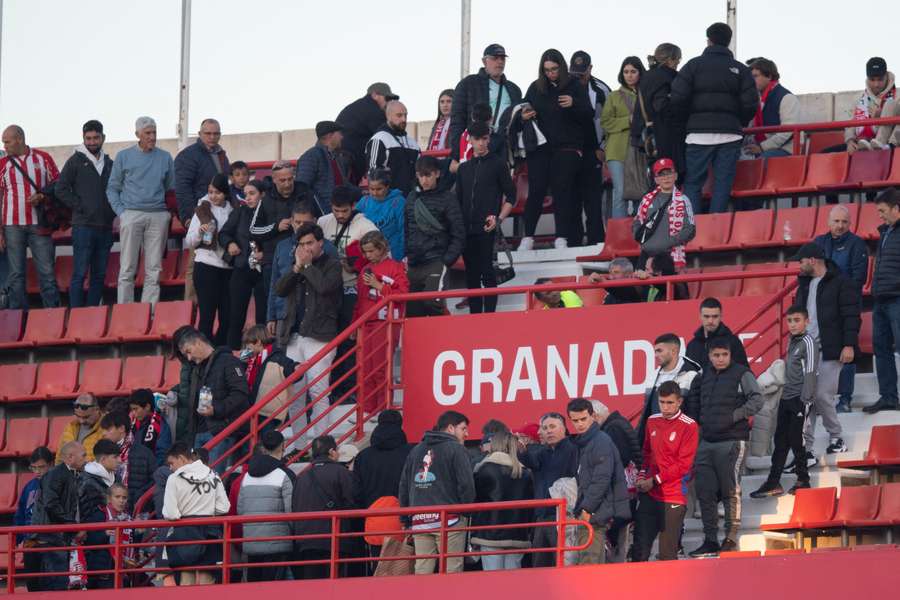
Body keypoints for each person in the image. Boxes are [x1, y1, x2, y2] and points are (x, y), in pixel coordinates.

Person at [685, 337, 764, 557]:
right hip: (706, 442)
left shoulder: (742, 373)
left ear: (730, 355)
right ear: (709, 356)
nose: (720, 359)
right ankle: (710, 539)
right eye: (716, 355)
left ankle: (730, 538)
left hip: (732, 440)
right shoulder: (703, 376)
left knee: (731, 491)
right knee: (705, 492)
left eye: (724, 355)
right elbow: (695, 404)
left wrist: (735, 416)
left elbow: (757, 400)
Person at [670, 23, 758, 214]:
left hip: (697, 136)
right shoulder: (740, 69)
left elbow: (677, 98)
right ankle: (715, 227)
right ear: (729, 41)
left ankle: (693, 229)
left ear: (708, 40)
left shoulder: (693, 66)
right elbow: (751, 103)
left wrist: (689, 121)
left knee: (693, 182)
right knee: (723, 183)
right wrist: (738, 121)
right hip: (730, 136)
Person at [791, 243, 860, 461]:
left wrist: (849, 344)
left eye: (801, 261)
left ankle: (837, 437)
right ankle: (807, 450)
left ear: (812, 260)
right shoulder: (803, 285)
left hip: (832, 350)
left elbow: (851, 316)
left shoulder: (841, 283)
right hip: (808, 351)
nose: (799, 266)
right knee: (807, 398)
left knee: (822, 395)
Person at [274, 223, 343, 439]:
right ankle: (301, 443)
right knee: (295, 393)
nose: (306, 248)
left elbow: (324, 288)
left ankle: (322, 443)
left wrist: (305, 267)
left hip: (320, 336)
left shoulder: (332, 264)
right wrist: (296, 268)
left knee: (318, 392)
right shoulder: (299, 265)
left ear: (320, 243)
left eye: (310, 243)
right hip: (294, 336)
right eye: (302, 244)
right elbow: (280, 289)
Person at [520, 49, 594, 249]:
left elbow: (589, 113)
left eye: (554, 69)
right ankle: (527, 237)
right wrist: (524, 115)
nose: (551, 73)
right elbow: (522, 109)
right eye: (547, 70)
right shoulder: (535, 88)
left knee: (563, 190)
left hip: (567, 147)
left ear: (561, 67)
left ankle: (561, 237)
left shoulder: (574, 85)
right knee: (536, 190)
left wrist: (574, 103)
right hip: (541, 147)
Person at [751, 306, 818, 498]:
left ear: (807, 321)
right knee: (780, 440)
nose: (793, 324)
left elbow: (811, 372)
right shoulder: (792, 340)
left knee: (797, 440)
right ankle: (773, 482)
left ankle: (803, 480)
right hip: (786, 397)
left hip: (800, 398)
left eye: (797, 320)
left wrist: (806, 400)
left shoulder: (808, 342)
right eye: (790, 321)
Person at [107, 116, 175, 305]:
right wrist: (122, 213)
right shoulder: (123, 156)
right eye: (148, 133)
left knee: (154, 268)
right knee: (127, 267)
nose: (152, 137)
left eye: (154, 132)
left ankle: (149, 312)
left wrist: (167, 213)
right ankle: (125, 312)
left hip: (158, 215)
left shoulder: (165, 157)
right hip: (131, 214)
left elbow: (170, 188)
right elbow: (112, 188)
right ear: (137, 134)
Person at [399, 410, 475, 575]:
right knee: (451, 569)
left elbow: (404, 485)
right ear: (450, 428)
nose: (467, 434)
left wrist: (406, 518)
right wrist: (465, 511)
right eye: (463, 429)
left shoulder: (416, 450)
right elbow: (466, 484)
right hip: (450, 519)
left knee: (422, 569)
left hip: (419, 518)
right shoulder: (457, 449)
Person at [631, 381, 698, 562]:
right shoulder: (652, 421)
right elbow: (646, 453)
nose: (665, 407)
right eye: (662, 402)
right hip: (650, 494)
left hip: (673, 495)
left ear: (679, 402)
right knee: (639, 550)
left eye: (670, 402)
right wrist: (643, 476)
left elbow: (684, 465)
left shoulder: (689, 425)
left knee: (668, 553)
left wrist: (655, 480)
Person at [813, 205, 868, 412]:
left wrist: (837, 293)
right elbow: (811, 271)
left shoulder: (857, 244)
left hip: (846, 306)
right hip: (822, 307)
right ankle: (823, 400)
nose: (840, 226)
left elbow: (858, 278)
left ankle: (845, 399)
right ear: (828, 222)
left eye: (844, 222)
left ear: (850, 223)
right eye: (836, 221)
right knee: (820, 353)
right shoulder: (819, 243)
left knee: (848, 350)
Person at [175, 326, 251, 474]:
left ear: (198, 342)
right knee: (199, 481)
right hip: (198, 432)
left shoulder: (228, 361)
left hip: (220, 431)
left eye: (188, 352)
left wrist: (216, 409)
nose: (188, 358)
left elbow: (240, 394)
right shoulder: (195, 368)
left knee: (212, 480)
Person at [0, 124, 60, 309]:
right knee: (15, 275)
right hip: (11, 225)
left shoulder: (43, 158)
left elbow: (58, 184)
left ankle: (52, 317)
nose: (5, 146)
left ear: (19, 139)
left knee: (47, 273)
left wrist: (42, 196)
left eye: (7, 142)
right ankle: (18, 321)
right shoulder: (2, 164)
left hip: (39, 224)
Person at [55, 120, 115, 307]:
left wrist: (112, 212)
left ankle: (92, 314)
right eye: (88, 138)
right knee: (79, 274)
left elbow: (118, 190)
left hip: (105, 227)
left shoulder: (110, 163)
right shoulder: (74, 161)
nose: (92, 142)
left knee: (99, 275)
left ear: (103, 138)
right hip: (83, 227)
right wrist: (79, 206)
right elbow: (60, 188)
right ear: (83, 138)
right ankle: (75, 315)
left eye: (96, 137)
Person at [457, 121, 515, 314]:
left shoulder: (498, 164)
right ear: (470, 140)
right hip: (467, 229)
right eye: (477, 139)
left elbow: (512, 196)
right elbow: (458, 201)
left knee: (487, 272)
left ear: (489, 139)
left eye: (484, 139)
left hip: (487, 229)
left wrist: (498, 219)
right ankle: (475, 317)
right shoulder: (464, 169)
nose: (481, 143)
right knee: (472, 276)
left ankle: (489, 316)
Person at [566, 398, 630, 565]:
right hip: (593, 510)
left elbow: (601, 480)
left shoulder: (600, 441)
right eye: (575, 420)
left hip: (595, 513)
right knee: (589, 562)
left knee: (590, 563)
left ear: (593, 416)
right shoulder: (586, 441)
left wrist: (587, 509)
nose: (579, 424)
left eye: (583, 419)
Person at [351, 230, 409, 413]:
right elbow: (360, 300)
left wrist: (380, 287)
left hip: (385, 323)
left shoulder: (395, 267)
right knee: (365, 370)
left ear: (382, 248)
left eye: (371, 251)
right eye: (365, 252)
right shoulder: (364, 270)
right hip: (366, 324)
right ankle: (367, 410)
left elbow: (403, 295)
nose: (368, 255)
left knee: (380, 368)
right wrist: (355, 323)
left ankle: (383, 410)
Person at [175, 119, 231, 302]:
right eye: (208, 133)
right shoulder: (188, 155)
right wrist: (188, 218)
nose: (212, 137)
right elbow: (182, 189)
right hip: (201, 217)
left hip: (221, 217)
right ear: (199, 134)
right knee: (195, 264)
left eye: (216, 133)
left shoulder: (222, 155)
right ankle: (191, 309)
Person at [265, 202, 337, 342]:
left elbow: (331, 287)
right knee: (284, 361)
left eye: (306, 222)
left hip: (316, 320)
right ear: (291, 222)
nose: (301, 226)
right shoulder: (282, 246)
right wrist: (271, 316)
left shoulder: (328, 248)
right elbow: (274, 283)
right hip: (284, 315)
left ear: (315, 222)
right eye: (297, 222)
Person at [404, 155, 466, 317]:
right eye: (420, 175)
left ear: (437, 174)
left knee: (433, 302)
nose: (424, 180)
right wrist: (408, 253)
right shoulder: (411, 198)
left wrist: (446, 260)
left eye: (428, 175)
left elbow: (458, 233)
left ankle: (447, 336)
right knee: (411, 311)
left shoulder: (448, 199)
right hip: (414, 262)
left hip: (436, 260)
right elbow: (406, 229)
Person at [250, 160, 321, 299]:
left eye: (290, 179)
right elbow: (253, 230)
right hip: (273, 260)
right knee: (274, 300)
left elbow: (322, 218)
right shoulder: (266, 199)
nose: (287, 184)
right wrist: (276, 227)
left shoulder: (306, 191)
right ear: (274, 179)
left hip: (306, 257)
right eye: (282, 180)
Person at [162, 443, 230, 586]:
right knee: (207, 580)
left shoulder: (174, 478)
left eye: (171, 463)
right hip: (210, 531)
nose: (170, 467)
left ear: (181, 458)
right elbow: (224, 507)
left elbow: (171, 513)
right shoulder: (213, 475)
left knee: (187, 580)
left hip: (185, 533)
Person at [517, 412, 578, 567]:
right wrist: (522, 451)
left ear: (564, 429)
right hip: (542, 517)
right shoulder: (543, 452)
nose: (548, 431)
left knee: (563, 564)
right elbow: (532, 462)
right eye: (545, 428)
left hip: (562, 516)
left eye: (552, 426)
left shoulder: (573, 450)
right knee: (539, 566)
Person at [291, 435, 356, 580]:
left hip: (306, 541)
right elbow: (352, 503)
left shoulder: (301, 477)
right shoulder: (341, 473)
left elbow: (294, 507)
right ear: (332, 452)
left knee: (312, 586)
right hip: (333, 539)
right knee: (334, 584)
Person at [184, 173, 237, 345]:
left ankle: (220, 351)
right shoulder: (202, 209)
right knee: (207, 315)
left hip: (227, 268)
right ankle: (204, 354)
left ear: (225, 193)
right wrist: (200, 231)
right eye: (211, 192)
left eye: (218, 192)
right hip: (206, 266)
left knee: (227, 316)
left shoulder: (234, 210)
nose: (213, 196)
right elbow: (190, 240)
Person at [449, 43, 523, 166]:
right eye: (495, 58)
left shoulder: (514, 89)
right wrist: (457, 153)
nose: (499, 62)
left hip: (503, 147)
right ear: (484, 61)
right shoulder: (468, 84)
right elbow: (457, 120)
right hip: (475, 145)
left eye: (502, 58)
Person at [471, 430, 534, 570]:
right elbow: (530, 508)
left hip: (489, 534)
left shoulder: (483, 469)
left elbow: (474, 501)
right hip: (518, 534)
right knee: (513, 582)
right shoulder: (525, 473)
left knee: (492, 580)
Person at [237, 430, 295, 582]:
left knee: (254, 590)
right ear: (283, 446)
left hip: (251, 544)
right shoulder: (284, 474)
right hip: (277, 543)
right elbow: (292, 512)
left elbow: (240, 510)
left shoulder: (247, 476)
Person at [29, 441, 85, 591]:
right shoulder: (56, 474)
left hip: (56, 537)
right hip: (51, 538)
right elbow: (51, 503)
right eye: (83, 455)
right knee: (56, 583)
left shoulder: (67, 474)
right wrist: (73, 525)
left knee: (58, 581)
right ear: (71, 457)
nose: (85, 459)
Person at [219, 179, 267, 350]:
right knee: (235, 316)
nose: (248, 198)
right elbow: (223, 234)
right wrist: (230, 243)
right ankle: (233, 354)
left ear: (262, 195)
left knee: (263, 317)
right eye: (246, 194)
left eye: (252, 193)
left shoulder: (270, 212)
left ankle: (263, 356)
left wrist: (266, 253)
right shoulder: (240, 212)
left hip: (264, 270)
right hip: (242, 267)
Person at [570, 50, 612, 244]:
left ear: (590, 69)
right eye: (574, 74)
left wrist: (602, 147)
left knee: (593, 199)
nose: (578, 78)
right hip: (570, 150)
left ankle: (596, 241)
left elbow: (609, 122)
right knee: (572, 199)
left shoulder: (602, 90)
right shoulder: (564, 87)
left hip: (594, 150)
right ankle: (574, 241)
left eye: (582, 73)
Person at [867, 188, 900, 414]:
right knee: (881, 348)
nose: (880, 215)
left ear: (896, 208)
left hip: (898, 297)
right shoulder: (885, 232)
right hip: (880, 298)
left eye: (883, 210)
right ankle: (888, 397)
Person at [632, 44, 686, 182]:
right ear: (671, 60)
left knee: (657, 179)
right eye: (678, 59)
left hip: (650, 136)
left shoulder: (646, 77)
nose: (679, 63)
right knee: (670, 181)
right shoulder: (667, 77)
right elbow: (661, 106)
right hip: (667, 136)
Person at [602, 57, 646, 219]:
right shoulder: (614, 96)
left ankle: (639, 234)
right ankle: (619, 237)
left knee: (641, 191)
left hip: (640, 151)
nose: (629, 75)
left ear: (640, 73)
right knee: (620, 192)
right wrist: (627, 120)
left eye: (633, 71)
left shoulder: (645, 95)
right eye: (626, 72)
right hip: (617, 151)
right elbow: (605, 122)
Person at [633, 158, 695, 270]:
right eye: (661, 175)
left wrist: (667, 244)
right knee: (644, 286)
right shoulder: (647, 199)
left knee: (670, 286)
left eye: (669, 173)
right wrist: (643, 242)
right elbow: (637, 221)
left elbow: (690, 229)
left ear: (675, 176)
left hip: (671, 255)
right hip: (646, 254)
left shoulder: (683, 200)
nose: (666, 177)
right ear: (656, 179)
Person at [639, 333, 701, 441]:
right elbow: (647, 412)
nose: (656, 355)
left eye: (660, 351)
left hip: (681, 440)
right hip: (657, 440)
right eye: (655, 351)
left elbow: (694, 413)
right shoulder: (653, 376)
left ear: (674, 351)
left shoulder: (691, 374)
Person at [78, 438, 121, 589]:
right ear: (103, 459)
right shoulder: (86, 481)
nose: (119, 460)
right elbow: (85, 516)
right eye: (115, 457)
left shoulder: (116, 478)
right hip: (95, 548)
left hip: (114, 543)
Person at [336, 82, 398, 184]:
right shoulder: (372, 109)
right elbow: (388, 135)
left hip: (343, 158)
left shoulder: (359, 107)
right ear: (374, 95)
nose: (389, 103)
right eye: (387, 99)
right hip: (347, 159)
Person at [744, 58, 802, 162]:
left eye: (756, 76)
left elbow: (787, 132)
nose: (752, 80)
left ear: (769, 76)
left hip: (784, 149)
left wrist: (761, 147)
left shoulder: (787, 98)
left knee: (760, 163)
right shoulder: (757, 99)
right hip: (761, 147)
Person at [352, 409, 412, 508]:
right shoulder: (411, 452)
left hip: (371, 516)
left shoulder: (363, 456)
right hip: (405, 516)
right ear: (400, 424)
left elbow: (357, 492)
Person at [242, 324, 296, 431]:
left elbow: (292, 369)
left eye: (248, 345)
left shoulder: (277, 357)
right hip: (256, 410)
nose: (246, 349)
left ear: (258, 342)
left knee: (265, 443)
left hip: (269, 413)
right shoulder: (250, 359)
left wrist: (297, 367)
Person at [99, 410, 156, 512]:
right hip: (108, 514)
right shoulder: (102, 453)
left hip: (137, 514)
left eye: (108, 429)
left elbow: (154, 483)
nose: (103, 434)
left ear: (121, 429)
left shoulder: (144, 453)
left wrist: (139, 498)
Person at [365, 100, 420, 195]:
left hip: (411, 200)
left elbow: (420, 172)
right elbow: (373, 173)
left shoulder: (413, 143)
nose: (404, 119)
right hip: (388, 202)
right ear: (388, 116)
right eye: (399, 115)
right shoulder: (379, 139)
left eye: (405, 115)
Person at [842, 57, 896, 153]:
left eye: (880, 79)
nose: (876, 84)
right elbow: (850, 124)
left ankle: (880, 143)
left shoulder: (898, 95)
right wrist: (849, 141)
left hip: (890, 144)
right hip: (862, 142)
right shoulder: (859, 98)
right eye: (872, 80)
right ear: (867, 78)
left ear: (886, 76)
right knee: (823, 152)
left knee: (891, 103)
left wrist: (881, 117)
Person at [686, 297, 750, 371]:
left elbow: (744, 372)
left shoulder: (733, 342)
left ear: (721, 317)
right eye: (706, 316)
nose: (710, 321)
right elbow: (689, 374)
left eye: (715, 316)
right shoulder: (692, 345)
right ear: (700, 316)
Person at [356, 168, 406, 260]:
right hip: (368, 254)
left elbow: (403, 231)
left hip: (392, 253)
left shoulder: (398, 202)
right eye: (371, 189)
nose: (375, 193)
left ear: (387, 187)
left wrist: (399, 256)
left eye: (379, 189)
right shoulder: (364, 202)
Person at [296, 120, 346, 209]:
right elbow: (302, 188)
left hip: (337, 212)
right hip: (322, 216)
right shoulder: (311, 156)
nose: (342, 137)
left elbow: (344, 184)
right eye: (339, 134)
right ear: (330, 136)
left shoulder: (336, 157)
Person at [14, 447, 52, 543]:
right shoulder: (29, 487)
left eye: (41, 467)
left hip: (53, 541)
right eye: (34, 467)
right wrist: (19, 539)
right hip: (30, 540)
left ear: (51, 464)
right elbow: (21, 514)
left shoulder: (61, 485)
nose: (37, 471)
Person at [56, 393, 104, 462]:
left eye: (86, 417)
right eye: (78, 416)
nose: (81, 421)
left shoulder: (107, 429)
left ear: (97, 410)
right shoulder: (70, 427)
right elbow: (60, 457)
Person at [129, 388, 173, 466]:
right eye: (132, 410)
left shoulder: (160, 425)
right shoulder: (132, 424)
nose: (133, 413)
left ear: (147, 407)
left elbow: (162, 454)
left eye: (135, 409)